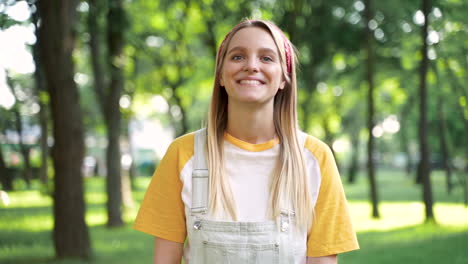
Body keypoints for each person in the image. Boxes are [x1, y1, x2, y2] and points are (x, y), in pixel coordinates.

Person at [134, 19, 359, 264]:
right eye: (238, 57)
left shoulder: (315, 158)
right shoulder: (183, 154)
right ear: (220, 75)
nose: (251, 66)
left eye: (266, 58)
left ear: (284, 79)